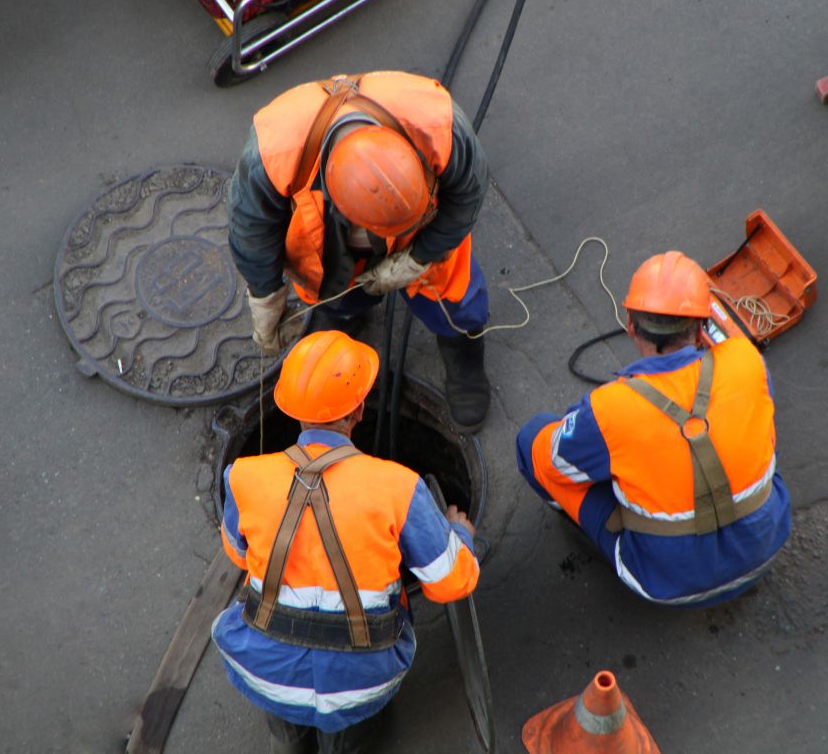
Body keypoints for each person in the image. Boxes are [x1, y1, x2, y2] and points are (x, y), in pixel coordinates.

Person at [212, 330, 481, 753]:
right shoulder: (399, 487)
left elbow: (238, 555)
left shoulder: (244, 476)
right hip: (362, 682)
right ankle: (342, 742)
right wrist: (459, 534)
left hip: (263, 669)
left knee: (283, 697)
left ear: (291, 409)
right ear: (358, 411)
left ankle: (288, 741)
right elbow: (450, 584)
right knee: (345, 722)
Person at [515, 251, 791, 607]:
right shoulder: (746, 359)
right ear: (704, 327)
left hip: (669, 584)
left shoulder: (609, 409)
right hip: (766, 546)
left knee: (532, 439)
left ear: (631, 325)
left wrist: (587, 424)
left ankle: (588, 527)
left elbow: (552, 463)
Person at [229, 70, 492, 431]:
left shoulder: (440, 125)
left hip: (426, 225)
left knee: (452, 290)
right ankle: (345, 313)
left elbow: (467, 197)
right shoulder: (273, 151)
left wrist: (420, 255)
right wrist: (265, 295)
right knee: (332, 279)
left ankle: (461, 347)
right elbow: (250, 230)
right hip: (331, 233)